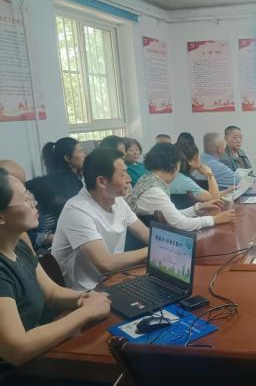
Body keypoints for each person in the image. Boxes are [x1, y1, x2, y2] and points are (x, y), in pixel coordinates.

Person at [0, 168, 111, 366]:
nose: (34, 203)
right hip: (17, 372)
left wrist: (86, 297)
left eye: (30, 195)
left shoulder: (19, 242)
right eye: (25, 199)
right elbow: (17, 349)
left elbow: (51, 293)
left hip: (41, 353)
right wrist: (86, 312)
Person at [52, 149, 150, 290]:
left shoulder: (117, 200)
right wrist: (150, 251)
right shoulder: (76, 210)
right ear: (102, 182)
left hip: (112, 279)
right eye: (123, 174)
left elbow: (145, 233)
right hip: (84, 292)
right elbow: (105, 263)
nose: (129, 179)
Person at [127, 143, 234, 232]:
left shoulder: (147, 178)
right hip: (147, 242)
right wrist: (214, 219)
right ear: (173, 166)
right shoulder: (155, 191)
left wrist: (198, 208)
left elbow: (172, 216)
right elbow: (180, 224)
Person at [28, 138, 86, 250]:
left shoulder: (66, 179)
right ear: (67, 158)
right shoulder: (68, 182)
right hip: (58, 240)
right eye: (80, 151)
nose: (84, 155)